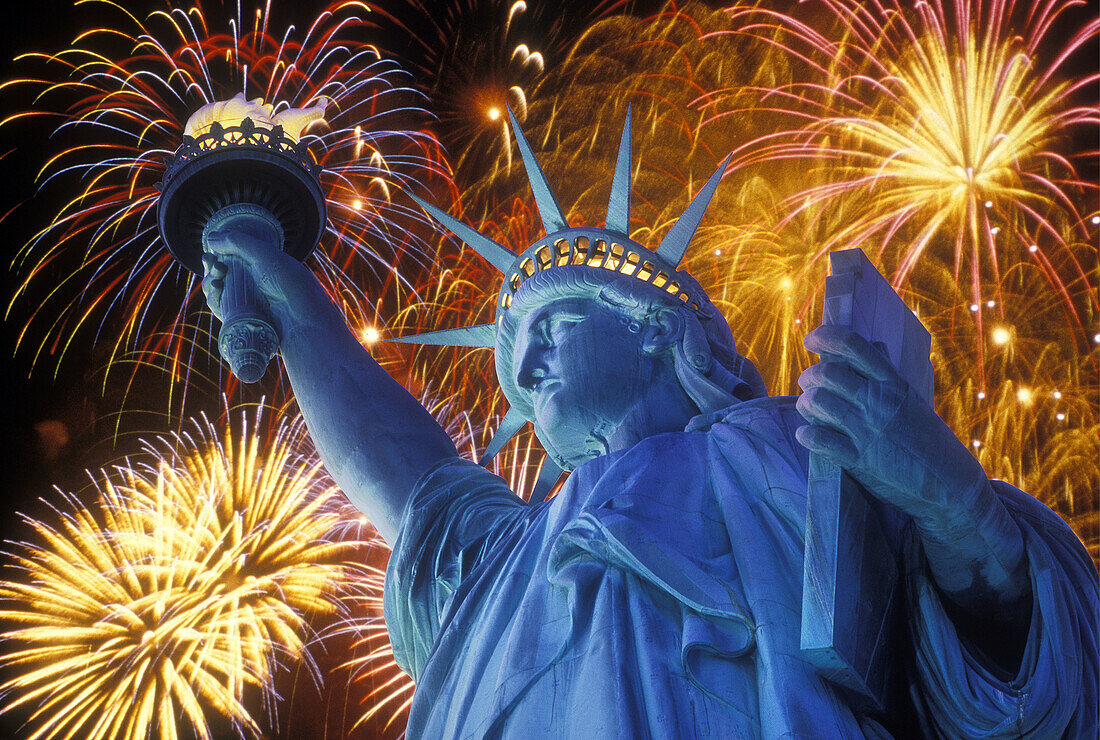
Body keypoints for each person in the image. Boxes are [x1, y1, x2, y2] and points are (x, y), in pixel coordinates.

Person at [201, 114, 1099, 738]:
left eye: (554, 329)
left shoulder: (797, 444)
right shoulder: (510, 552)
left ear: (658, 332)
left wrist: (954, 506)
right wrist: (288, 295)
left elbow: (1025, 680)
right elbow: (401, 473)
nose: (529, 369)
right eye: (520, 361)